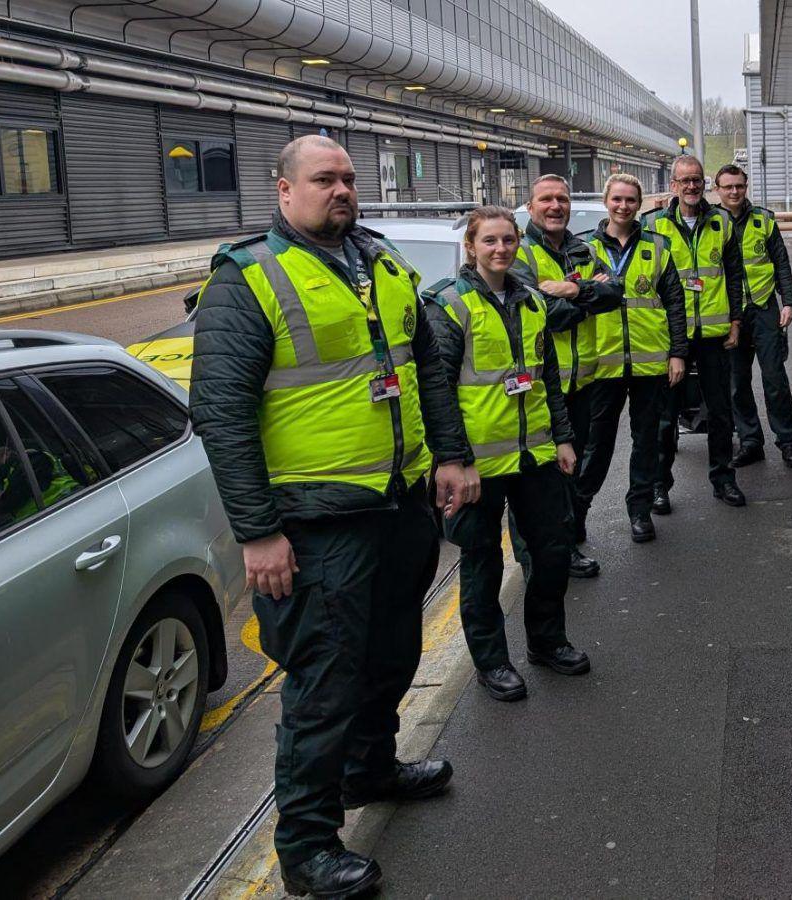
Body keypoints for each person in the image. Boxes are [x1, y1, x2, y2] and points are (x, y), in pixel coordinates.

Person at [189, 135, 470, 898]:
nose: (341, 190)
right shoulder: (247, 280)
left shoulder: (382, 263)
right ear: (284, 192)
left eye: (348, 178)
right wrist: (258, 532)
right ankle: (308, 850)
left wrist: (451, 455)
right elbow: (222, 416)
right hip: (317, 525)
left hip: (398, 505)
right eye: (324, 179)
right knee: (322, 688)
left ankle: (371, 769)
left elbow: (426, 371)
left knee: (390, 658)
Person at [423, 206, 591, 702]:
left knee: (552, 552)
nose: (501, 250)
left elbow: (549, 379)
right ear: (471, 247)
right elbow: (438, 392)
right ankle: (492, 662)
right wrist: (455, 461)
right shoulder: (448, 306)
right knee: (482, 566)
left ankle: (547, 642)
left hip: (534, 455)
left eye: (509, 241)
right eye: (490, 241)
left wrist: (562, 437)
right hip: (477, 465)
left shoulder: (533, 301)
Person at [514, 173, 622, 578]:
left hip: (581, 383)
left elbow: (615, 293)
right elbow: (542, 316)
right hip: (541, 387)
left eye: (562, 198)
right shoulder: (520, 254)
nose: (555, 206)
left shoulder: (581, 249)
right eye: (546, 199)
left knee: (569, 471)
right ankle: (533, 558)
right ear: (531, 207)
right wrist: (582, 296)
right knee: (534, 479)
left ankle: (565, 545)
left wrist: (571, 290)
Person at [579, 173, 688, 543]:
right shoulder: (585, 250)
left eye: (630, 200)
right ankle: (578, 512)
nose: (623, 206)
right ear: (605, 201)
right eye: (617, 199)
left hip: (650, 362)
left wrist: (677, 354)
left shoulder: (657, 246)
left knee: (648, 440)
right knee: (596, 445)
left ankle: (640, 511)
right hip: (602, 365)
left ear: (639, 204)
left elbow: (675, 302)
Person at [643, 155, 748, 511]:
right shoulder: (653, 224)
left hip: (714, 335)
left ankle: (723, 479)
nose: (691, 186)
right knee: (665, 415)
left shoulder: (722, 222)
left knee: (721, 411)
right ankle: (659, 485)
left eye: (697, 180)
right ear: (673, 185)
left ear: (705, 184)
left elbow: (734, 276)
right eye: (684, 180)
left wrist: (735, 321)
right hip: (671, 337)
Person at [715, 164, 792, 469]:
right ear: (718, 190)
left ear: (746, 185)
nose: (734, 192)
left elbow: (781, 262)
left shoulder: (763, 220)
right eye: (727, 187)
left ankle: (788, 442)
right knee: (737, 382)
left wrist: (788, 301)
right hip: (729, 314)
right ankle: (750, 440)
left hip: (764, 309)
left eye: (739, 186)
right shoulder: (712, 222)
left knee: (775, 379)